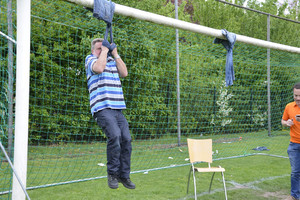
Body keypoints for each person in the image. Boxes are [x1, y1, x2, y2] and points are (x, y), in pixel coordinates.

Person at [85, 38, 135, 189]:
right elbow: (99, 69)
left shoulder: (112, 61)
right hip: (102, 108)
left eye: (104, 48)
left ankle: (124, 175)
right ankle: (112, 174)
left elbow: (124, 73)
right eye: (100, 48)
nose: (103, 51)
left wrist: (116, 53)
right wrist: (105, 51)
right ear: (94, 50)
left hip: (117, 109)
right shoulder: (90, 59)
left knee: (126, 139)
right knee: (114, 136)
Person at [281, 82, 300, 200]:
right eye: (295, 95)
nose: (298, 98)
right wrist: (286, 123)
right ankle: (295, 196)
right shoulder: (289, 106)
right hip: (294, 144)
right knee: (295, 172)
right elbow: (283, 121)